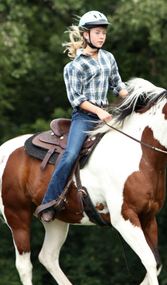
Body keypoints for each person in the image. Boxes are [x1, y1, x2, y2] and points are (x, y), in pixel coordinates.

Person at [36, 10, 128, 223]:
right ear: (85, 35)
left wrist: (135, 99)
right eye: (97, 32)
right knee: (70, 155)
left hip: (107, 115)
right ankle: (50, 202)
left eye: (104, 32)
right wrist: (98, 111)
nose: (102, 36)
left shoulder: (108, 58)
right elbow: (76, 99)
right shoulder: (73, 67)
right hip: (85, 117)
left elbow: (118, 85)